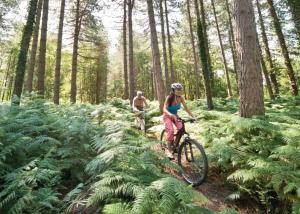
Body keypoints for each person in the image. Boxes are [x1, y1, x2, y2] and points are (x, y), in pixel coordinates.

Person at [163, 83, 195, 159]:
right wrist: (170, 114)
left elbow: (186, 109)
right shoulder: (169, 97)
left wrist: (193, 116)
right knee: (170, 130)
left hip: (175, 115)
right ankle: (169, 151)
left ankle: (175, 145)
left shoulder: (181, 98)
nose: (179, 91)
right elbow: (164, 109)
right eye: (177, 90)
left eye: (180, 90)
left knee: (181, 129)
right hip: (167, 116)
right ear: (173, 90)